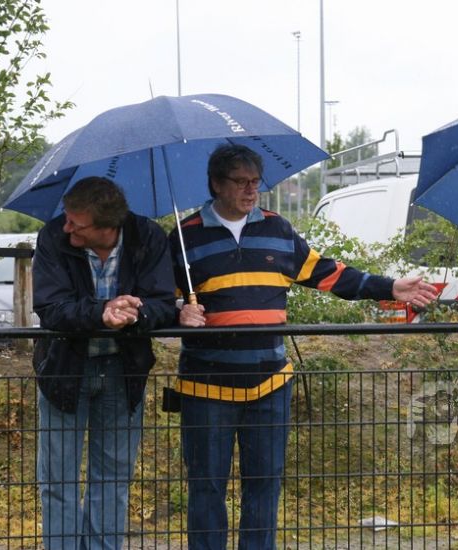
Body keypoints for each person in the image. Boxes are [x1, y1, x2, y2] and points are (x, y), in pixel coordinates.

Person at [171, 144, 437, 549]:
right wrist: (178, 310)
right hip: (206, 388)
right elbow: (157, 299)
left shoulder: (278, 230)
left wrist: (391, 287)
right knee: (206, 488)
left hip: (269, 386)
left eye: (255, 182)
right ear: (215, 185)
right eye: (240, 182)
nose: (251, 190)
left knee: (264, 486)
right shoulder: (184, 237)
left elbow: (329, 274)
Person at [33, 177, 177, 549]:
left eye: (76, 224)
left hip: (123, 372)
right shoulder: (52, 237)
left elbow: (163, 303)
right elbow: (50, 308)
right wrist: (103, 312)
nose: (67, 227)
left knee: (113, 480)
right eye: (67, 218)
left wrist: (135, 314)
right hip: (64, 370)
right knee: (58, 481)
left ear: (107, 227)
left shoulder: (148, 237)